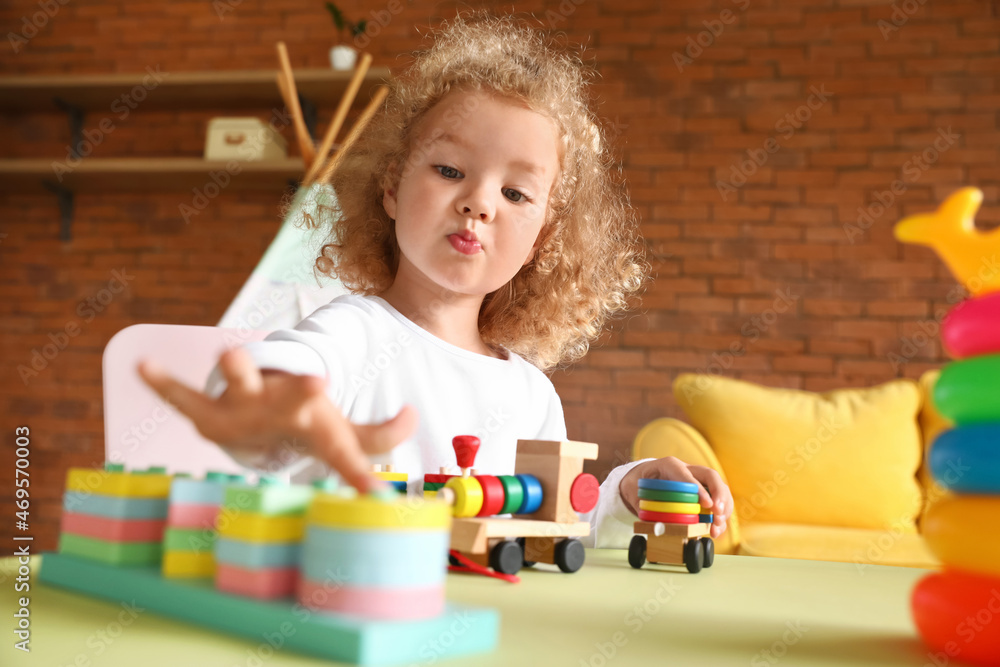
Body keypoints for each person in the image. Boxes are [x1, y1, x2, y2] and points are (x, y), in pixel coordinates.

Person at [139, 13, 732, 548]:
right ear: (392, 187)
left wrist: (631, 489)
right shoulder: (352, 335)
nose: (478, 203)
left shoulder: (530, 394)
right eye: (450, 170)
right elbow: (290, 379)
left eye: (515, 192)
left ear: (543, 240)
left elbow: (556, 522)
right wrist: (262, 401)